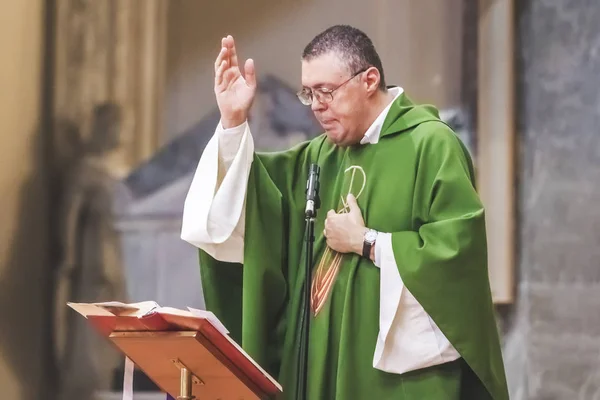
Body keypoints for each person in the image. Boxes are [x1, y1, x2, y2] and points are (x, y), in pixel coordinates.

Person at [181, 25, 509, 400]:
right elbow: (254, 204)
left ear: (369, 79)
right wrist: (234, 123)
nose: (317, 105)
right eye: (309, 93)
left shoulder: (430, 144)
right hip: (320, 367)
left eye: (327, 91)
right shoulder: (320, 154)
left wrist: (368, 243)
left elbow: (456, 257)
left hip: (393, 382)